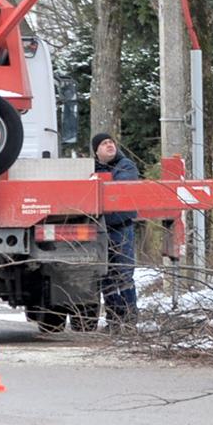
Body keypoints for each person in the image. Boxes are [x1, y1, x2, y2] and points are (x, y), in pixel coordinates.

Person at [91, 132, 139, 324]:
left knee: (124, 273)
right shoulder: (91, 168)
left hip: (121, 228)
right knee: (106, 276)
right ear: (96, 151)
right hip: (100, 230)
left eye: (111, 142)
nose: (110, 145)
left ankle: (129, 317)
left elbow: (120, 190)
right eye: (104, 143)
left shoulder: (126, 165)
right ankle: (114, 317)